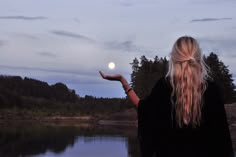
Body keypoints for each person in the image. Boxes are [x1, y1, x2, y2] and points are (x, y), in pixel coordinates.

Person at [99, 36, 234, 157]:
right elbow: (222, 140)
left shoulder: (163, 87)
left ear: (174, 58)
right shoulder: (212, 90)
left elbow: (143, 109)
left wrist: (124, 82)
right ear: (198, 57)